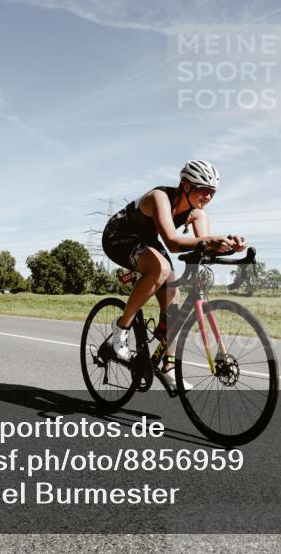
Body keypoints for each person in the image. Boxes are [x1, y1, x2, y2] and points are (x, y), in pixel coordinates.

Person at [101, 160, 245, 390]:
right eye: (204, 190)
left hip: (147, 242)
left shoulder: (198, 214)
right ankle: (121, 328)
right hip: (118, 236)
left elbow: (203, 244)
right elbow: (173, 242)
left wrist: (228, 246)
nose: (208, 197)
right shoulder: (160, 197)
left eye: (213, 193)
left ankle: (167, 368)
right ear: (186, 186)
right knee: (161, 269)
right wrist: (210, 241)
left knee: (173, 303)